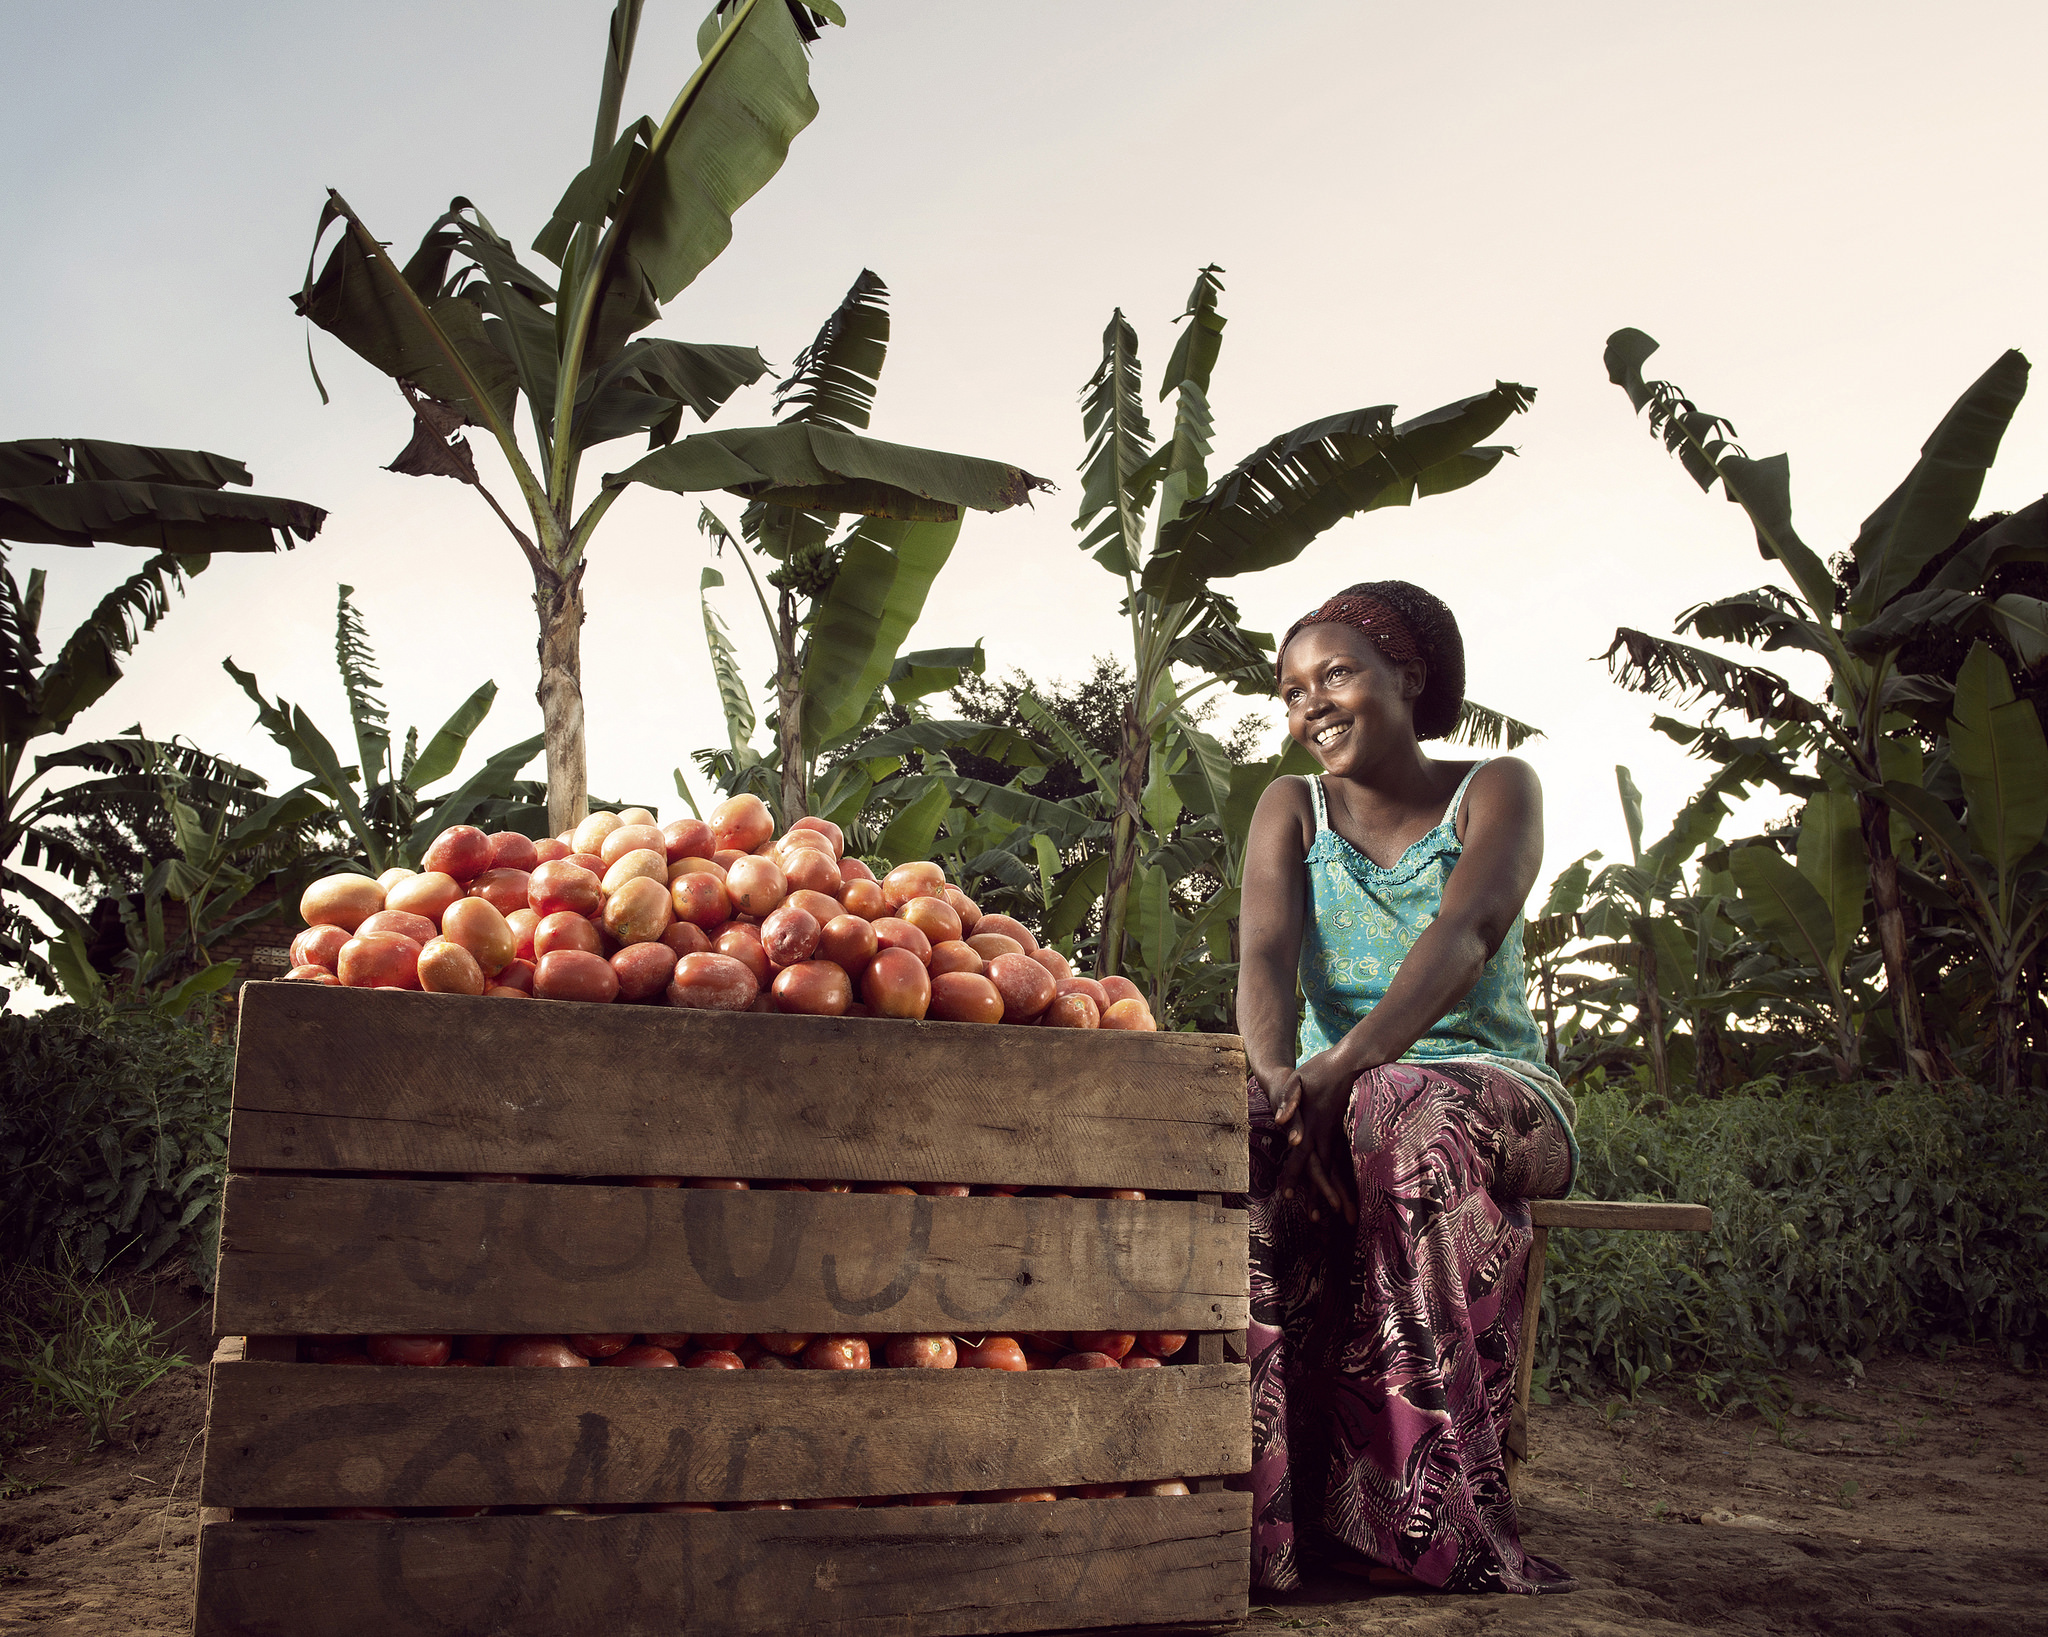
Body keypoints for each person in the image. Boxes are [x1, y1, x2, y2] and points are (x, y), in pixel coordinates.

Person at [1236, 580, 1578, 1595]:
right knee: (1232, 1126)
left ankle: (1426, 1523)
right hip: (1338, 1099)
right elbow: (1260, 954)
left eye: (1335, 672)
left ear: (1408, 678)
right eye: (1292, 691)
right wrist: (1279, 1085)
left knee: (1399, 1105)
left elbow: (1463, 935)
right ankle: (1272, 1520)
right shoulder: (1287, 806)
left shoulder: (1495, 787)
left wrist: (1341, 1071)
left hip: (1490, 1092)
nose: (1310, 705)